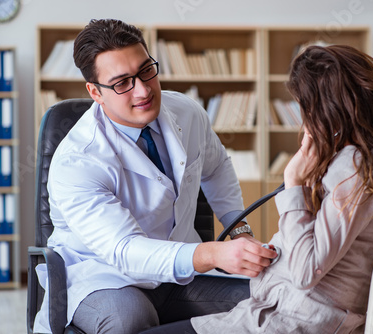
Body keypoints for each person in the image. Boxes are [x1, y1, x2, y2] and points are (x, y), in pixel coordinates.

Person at [139, 45, 373, 334]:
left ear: (325, 109)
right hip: (292, 306)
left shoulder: (353, 168)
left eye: (304, 106)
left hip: (293, 318)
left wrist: (293, 182)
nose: (303, 119)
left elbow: (306, 271)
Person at [32, 19, 277, 334]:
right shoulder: (78, 161)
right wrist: (214, 253)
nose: (144, 90)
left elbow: (216, 167)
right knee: (128, 320)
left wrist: (239, 228)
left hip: (178, 273)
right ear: (95, 92)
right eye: (122, 83)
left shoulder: (187, 112)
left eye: (147, 70)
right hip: (105, 277)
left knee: (270, 301)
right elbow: (124, 250)